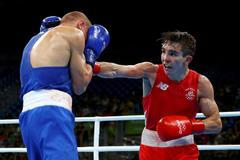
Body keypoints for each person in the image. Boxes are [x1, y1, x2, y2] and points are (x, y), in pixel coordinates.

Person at [93, 31, 222, 160]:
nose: (165, 58)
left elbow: (216, 123)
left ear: (187, 59)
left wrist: (188, 126)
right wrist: (90, 66)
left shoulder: (200, 83)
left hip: (184, 150)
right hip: (151, 149)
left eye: (172, 53)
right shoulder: (151, 72)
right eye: (163, 51)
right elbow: (116, 70)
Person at [19, 11, 110, 160]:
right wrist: (91, 53)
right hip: (52, 113)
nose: (85, 43)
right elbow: (80, 86)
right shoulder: (74, 33)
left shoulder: (34, 39)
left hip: (27, 118)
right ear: (81, 25)